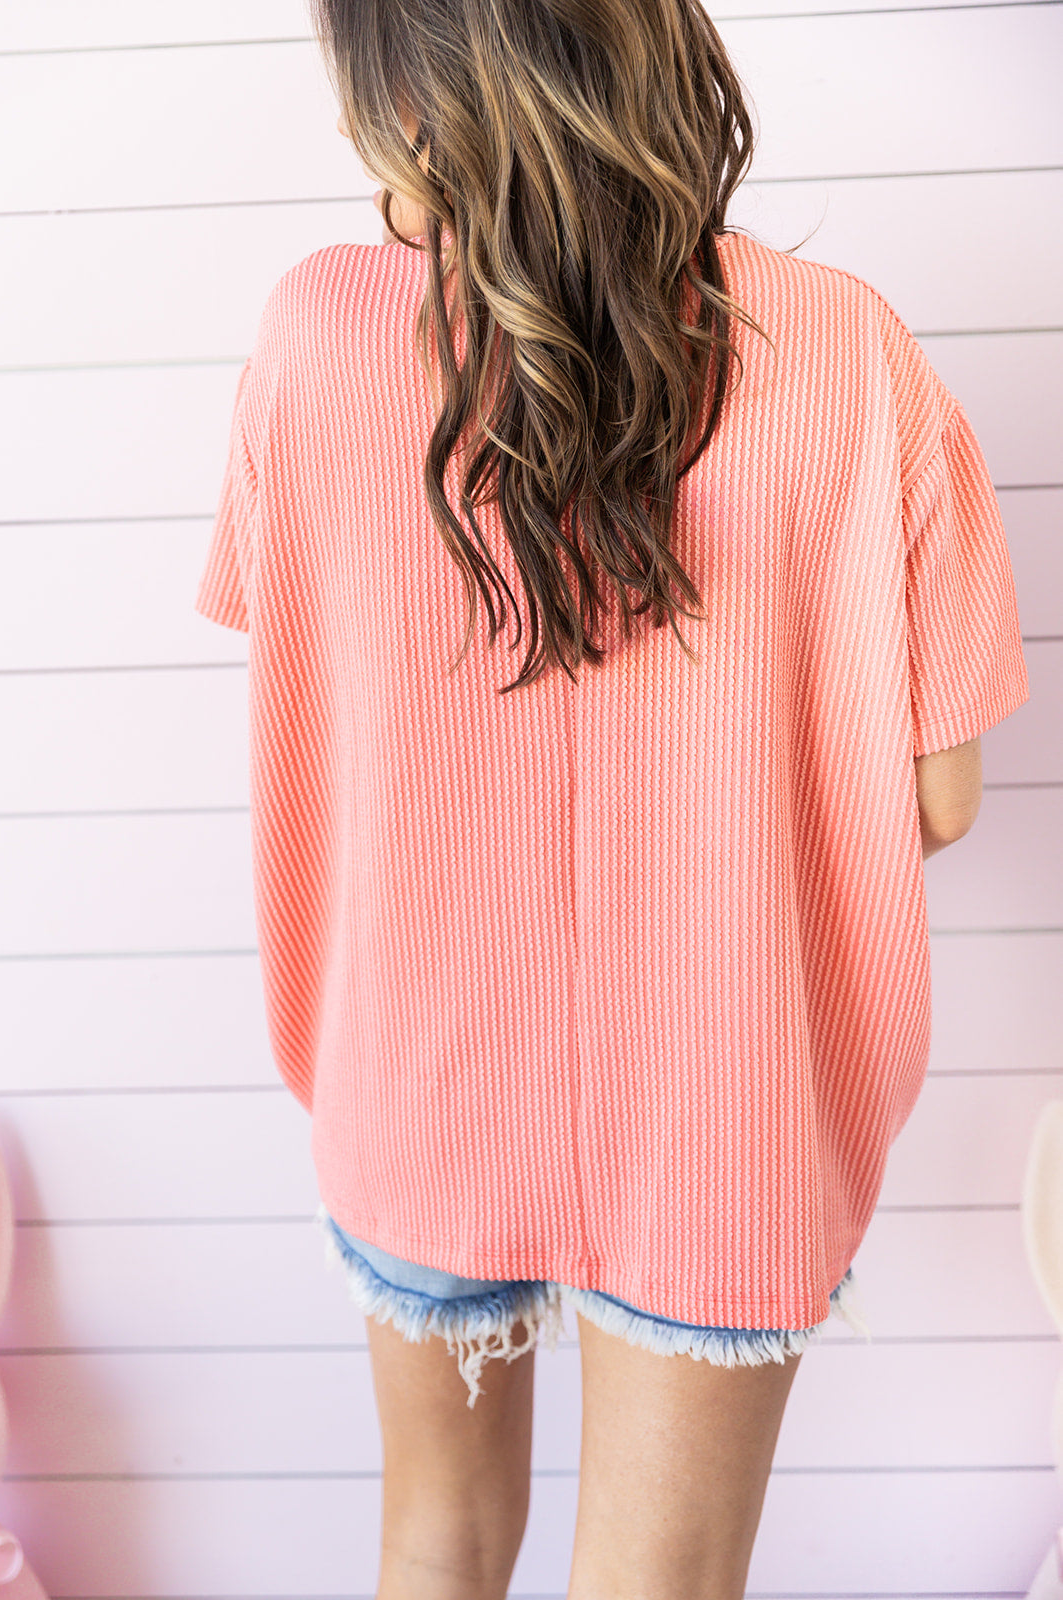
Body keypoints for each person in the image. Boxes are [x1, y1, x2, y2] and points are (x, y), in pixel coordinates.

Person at [194, 1, 1030, 1595]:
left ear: (421, 100)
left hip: (419, 1077)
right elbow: (939, 800)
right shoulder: (848, 349)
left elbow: (298, 664)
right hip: (726, 1100)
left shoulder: (312, 334)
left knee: (435, 1543)